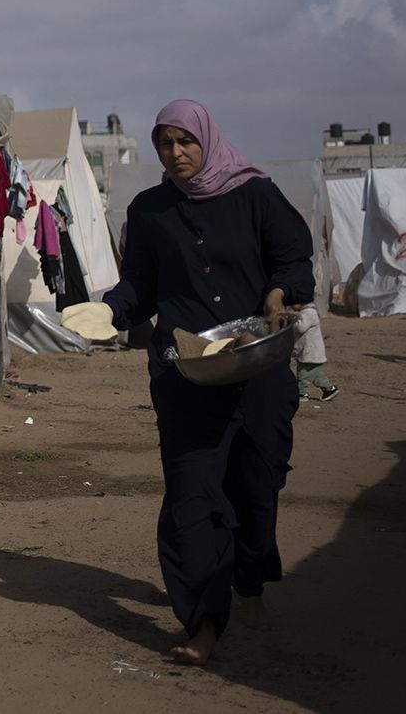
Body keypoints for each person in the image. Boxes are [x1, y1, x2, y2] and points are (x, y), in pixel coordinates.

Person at [101, 99, 313, 666]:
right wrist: (112, 310)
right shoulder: (149, 210)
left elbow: (293, 258)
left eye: (185, 142)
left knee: (257, 484)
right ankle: (204, 624)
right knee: (192, 496)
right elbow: (141, 281)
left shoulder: (256, 195)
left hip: (259, 370)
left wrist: (279, 292)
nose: (175, 154)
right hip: (185, 371)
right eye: (165, 144)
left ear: (207, 140)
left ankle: (249, 583)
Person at [292, 302, 337, 400]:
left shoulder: (309, 312)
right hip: (310, 351)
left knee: (303, 373)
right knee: (316, 373)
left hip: (309, 351)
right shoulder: (306, 312)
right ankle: (329, 389)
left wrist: (292, 323)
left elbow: (300, 327)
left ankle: (301, 393)